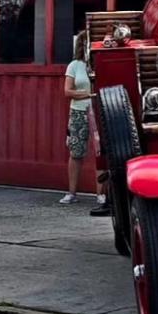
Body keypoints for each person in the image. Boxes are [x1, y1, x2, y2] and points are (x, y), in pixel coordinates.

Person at [61, 30, 107, 216]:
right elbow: (67, 91)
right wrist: (88, 95)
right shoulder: (74, 65)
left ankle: (101, 195)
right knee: (76, 151)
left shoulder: (101, 62)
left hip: (98, 111)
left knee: (100, 152)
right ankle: (72, 192)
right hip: (79, 111)